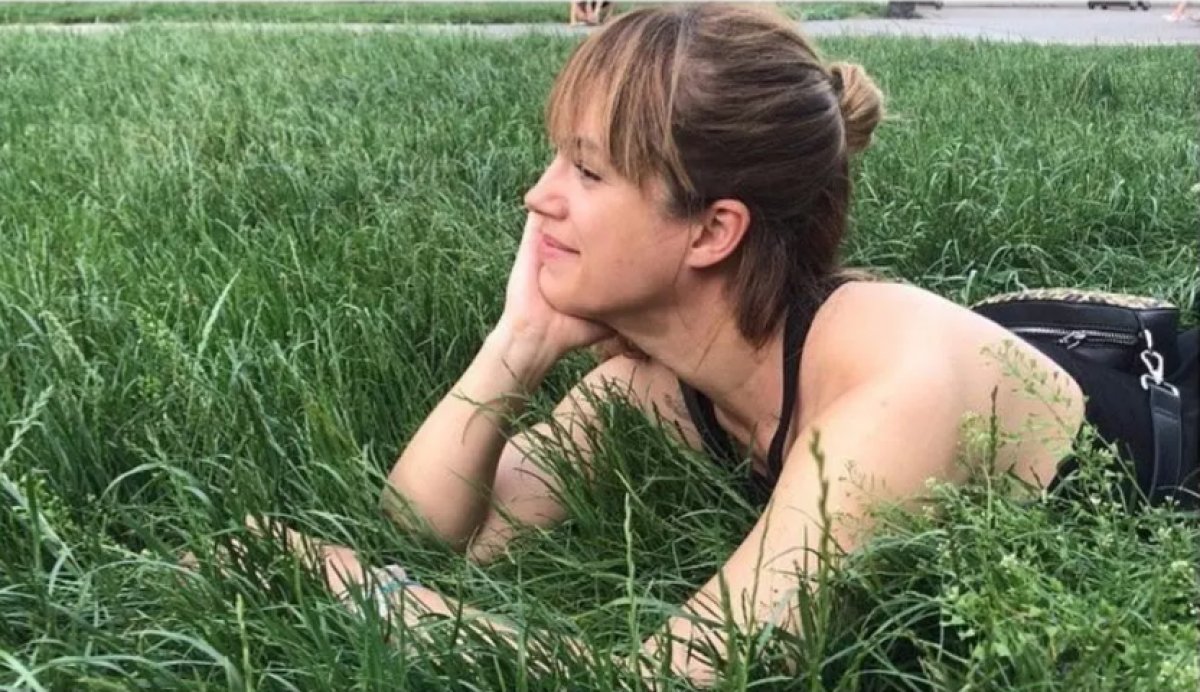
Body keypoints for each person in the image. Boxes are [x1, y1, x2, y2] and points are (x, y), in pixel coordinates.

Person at [197, 3, 1199, 686]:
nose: (537, 196)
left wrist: (354, 589)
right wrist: (518, 342)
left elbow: (677, 675)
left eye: (587, 171)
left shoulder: (892, 388)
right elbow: (434, 530)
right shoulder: (661, 386)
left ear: (713, 230)